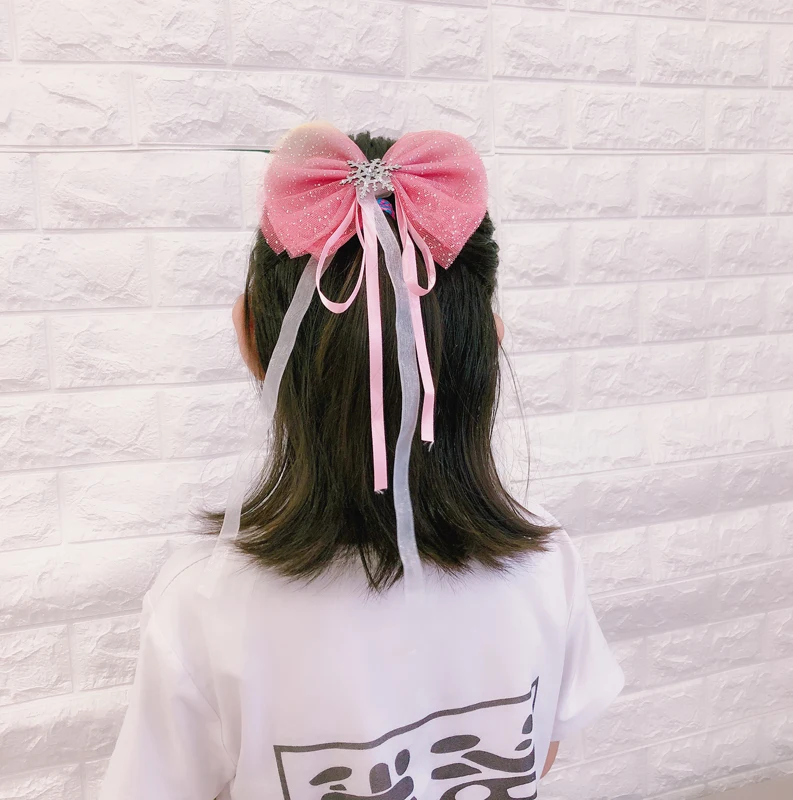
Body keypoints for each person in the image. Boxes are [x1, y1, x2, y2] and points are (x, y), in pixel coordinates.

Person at [99, 123, 624, 800]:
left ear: (251, 340)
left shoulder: (205, 602)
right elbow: (540, 750)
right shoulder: (544, 561)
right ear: (492, 341)